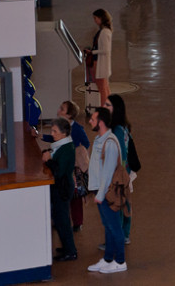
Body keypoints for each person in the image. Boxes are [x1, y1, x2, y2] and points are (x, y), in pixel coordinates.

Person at [87, 108, 127, 274]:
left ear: (101, 122)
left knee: (114, 226)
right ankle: (108, 258)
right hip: (100, 191)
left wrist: (101, 195)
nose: (90, 120)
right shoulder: (99, 139)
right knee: (108, 225)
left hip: (107, 193)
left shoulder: (109, 143)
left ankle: (120, 261)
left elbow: (108, 172)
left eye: (93, 118)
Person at [44, 101, 90, 232]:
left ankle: (77, 222)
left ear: (69, 115)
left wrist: (76, 154)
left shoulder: (78, 129)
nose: (58, 110)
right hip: (64, 162)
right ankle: (61, 219)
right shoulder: (61, 128)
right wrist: (42, 136)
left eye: (62, 109)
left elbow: (86, 143)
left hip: (74, 167)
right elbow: (54, 139)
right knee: (64, 194)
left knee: (75, 197)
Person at [42, 117, 78, 262]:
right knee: (59, 219)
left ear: (64, 133)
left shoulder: (66, 149)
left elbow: (59, 171)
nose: (52, 133)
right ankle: (66, 247)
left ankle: (70, 251)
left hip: (62, 188)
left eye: (55, 131)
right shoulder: (61, 145)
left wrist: (48, 160)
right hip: (61, 187)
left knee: (62, 220)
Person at [105, 95, 134, 247]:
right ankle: (125, 234)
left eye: (108, 105)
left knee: (118, 204)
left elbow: (120, 153)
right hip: (126, 171)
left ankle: (119, 237)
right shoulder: (124, 127)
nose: (105, 107)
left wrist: (117, 174)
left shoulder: (116, 130)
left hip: (120, 173)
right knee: (125, 202)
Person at [86, 9, 113, 105]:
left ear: (101, 18)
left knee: (103, 89)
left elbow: (106, 50)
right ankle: (108, 108)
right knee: (105, 88)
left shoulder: (104, 32)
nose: (94, 20)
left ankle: (104, 109)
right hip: (100, 62)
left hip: (100, 63)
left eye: (95, 18)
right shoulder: (105, 31)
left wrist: (93, 52)